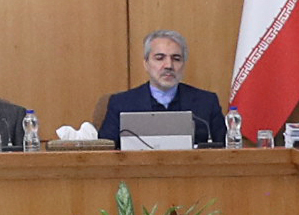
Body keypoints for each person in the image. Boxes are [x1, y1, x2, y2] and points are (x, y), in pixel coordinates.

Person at [98, 31, 229, 147]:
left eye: (176, 59)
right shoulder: (122, 103)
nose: (169, 65)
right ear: (146, 64)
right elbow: (105, 151)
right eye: (160, 58)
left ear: (183, 64)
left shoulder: (206, 102)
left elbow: (225, 150)